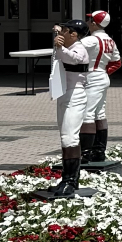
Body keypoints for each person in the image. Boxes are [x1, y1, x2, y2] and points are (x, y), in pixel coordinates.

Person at [48, 19, 91, 197]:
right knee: (64, 135)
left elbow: (71, 59)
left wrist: (59, 47)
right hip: (64, 92)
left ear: (74, 34)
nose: (62, 34)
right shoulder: (67, 44)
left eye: (66, 31)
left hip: (75, 94)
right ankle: (67, 178)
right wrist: (58, 34)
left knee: (70, 137)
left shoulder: (79, 49)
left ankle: (71, 181)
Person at [79, 11, 121, 164]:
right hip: (102, 75)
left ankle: (85, 153)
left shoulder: (91, 40)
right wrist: (104, 72)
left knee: (87, 114)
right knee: (99, 113)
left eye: (89, 19)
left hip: (92, 76)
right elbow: (117, 62)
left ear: (94, 23)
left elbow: (73, 48)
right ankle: (99, 151)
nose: (87, 22)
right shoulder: (110, 40)